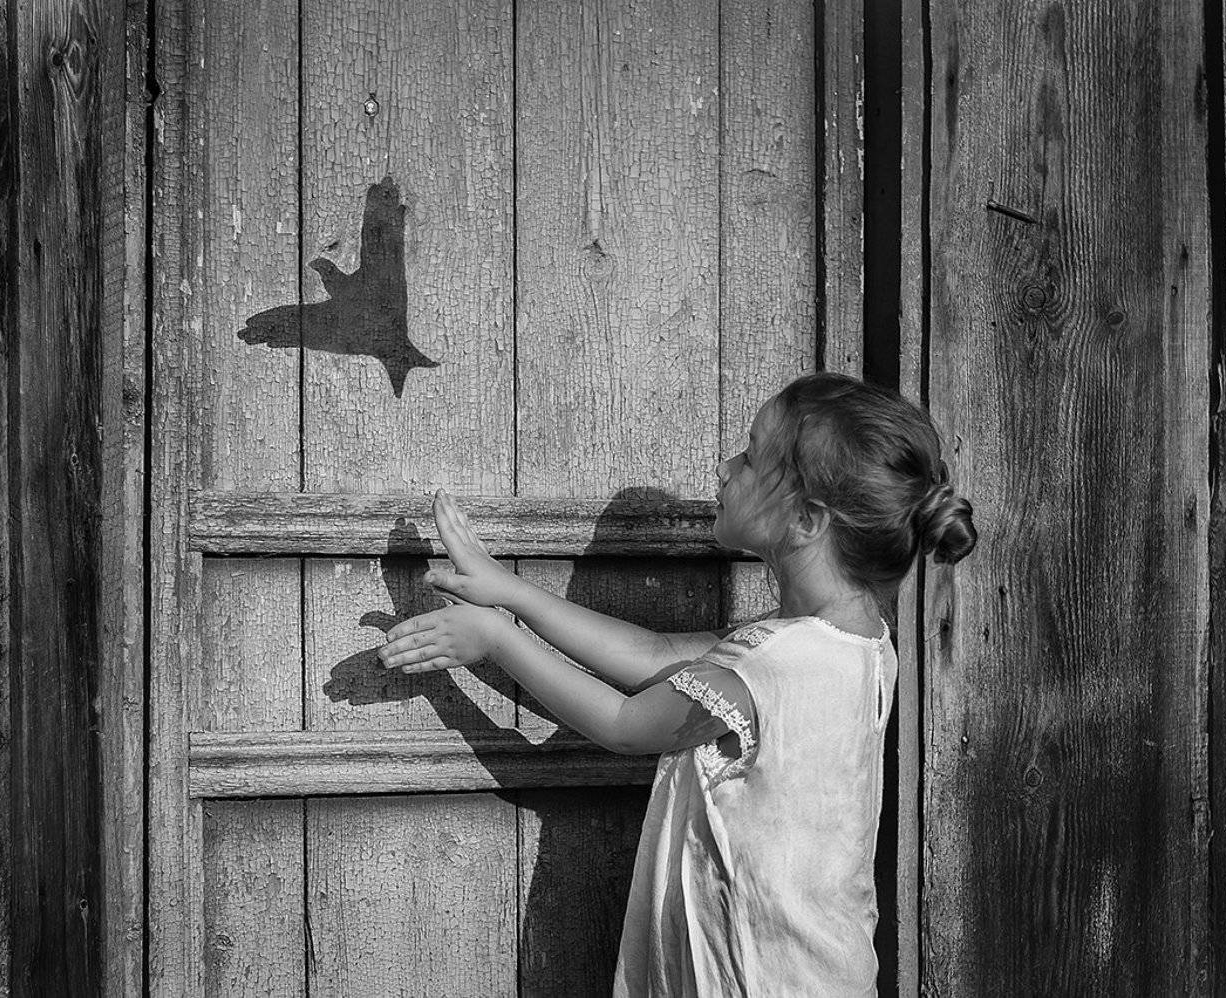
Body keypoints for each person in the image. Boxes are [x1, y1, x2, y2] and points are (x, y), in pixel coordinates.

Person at [377, 371, 978, 996]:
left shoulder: (771, 665)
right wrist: (510, 592)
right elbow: (654, 654)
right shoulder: (858, 642)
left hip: (758, 978)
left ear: (805, 519)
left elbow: (624, 724)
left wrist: (497, 638)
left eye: (750, 458)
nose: (724, 467)